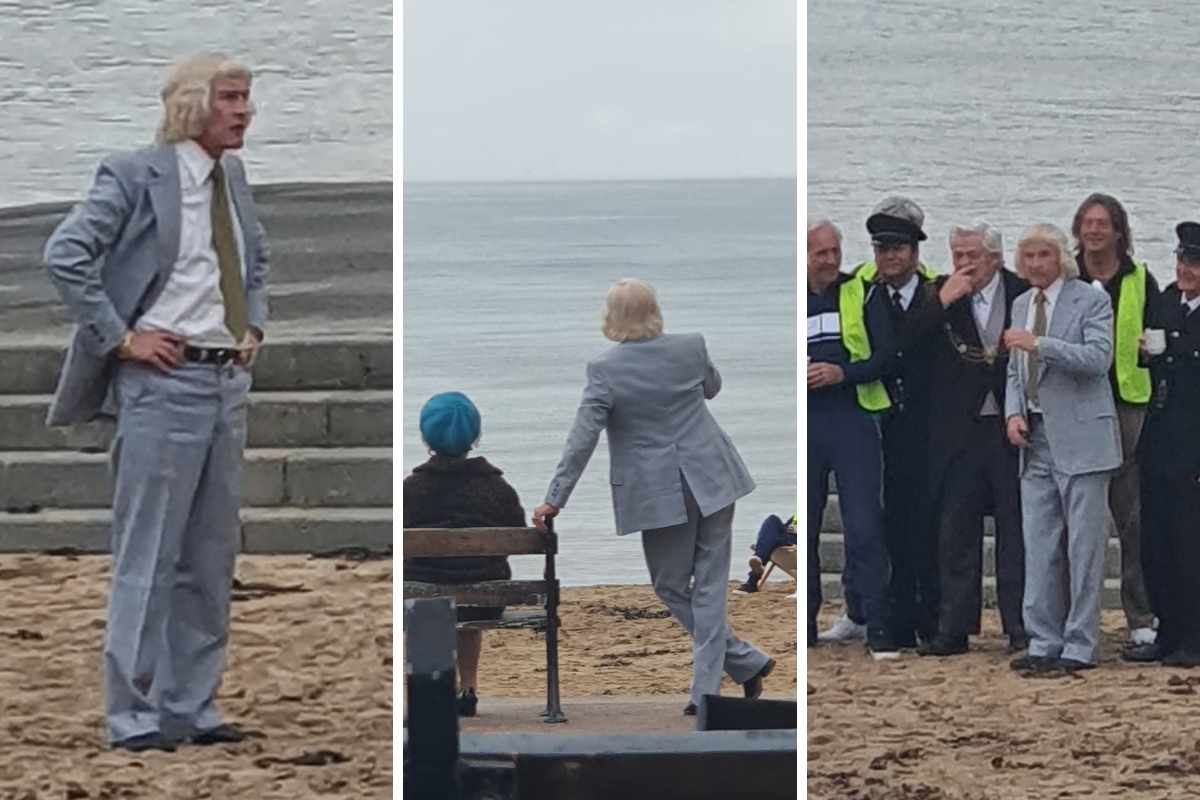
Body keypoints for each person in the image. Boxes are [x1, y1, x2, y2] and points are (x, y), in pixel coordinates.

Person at [42, 53, 268, 752]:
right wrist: (121, 338)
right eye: (230, 97)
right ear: (194, 103)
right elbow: (66, 254)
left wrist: (252, 322)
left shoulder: (231, 176)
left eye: (247, 98)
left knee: (207, 555)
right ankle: (131, 713)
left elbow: (253, 259)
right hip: (161, 387)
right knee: (149, 553)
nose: (243, 110)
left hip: (224, 378)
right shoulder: (135, 172)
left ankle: (189, 706)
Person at [531, 279, 774, 716]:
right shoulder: (691, 346)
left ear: (612, 318)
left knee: (674, 585)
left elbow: (582, 438)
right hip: (714, 475)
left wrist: (555, 497)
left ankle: (707, 693)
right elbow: (712, 387)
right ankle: (742, 663)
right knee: (700, 587)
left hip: (662, 489)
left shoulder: (604, 369)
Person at [1003, 223, 1121, 676]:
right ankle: (1043, 638)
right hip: (1035, 439)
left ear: (1060, 259)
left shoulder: (1090, 299)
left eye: (1043, 255)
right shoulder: (1020, 303)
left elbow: (1097, 359)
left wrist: (1041, 344)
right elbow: (1016, 371)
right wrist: (1014, 413)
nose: (1035, 264)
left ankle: (1079, 643)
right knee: (1040, 543)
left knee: (1084, 549)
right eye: (1028, 256)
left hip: (1084, 438)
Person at [916, 221, 1028, 656]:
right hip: (958, 432)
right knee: (955, 532)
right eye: (958, 255)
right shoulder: (940, 294)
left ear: (995, 259)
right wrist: (941, 303)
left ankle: (1019, 626)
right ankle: (954, 628)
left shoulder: (1020, 291)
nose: (963, 264)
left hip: (1008, 427)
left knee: (1014, 531)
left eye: (972, 257)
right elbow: (910, 343)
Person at [1072, 194, 1160, 654]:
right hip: (1076, 406)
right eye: (1087, 224)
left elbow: (1160, 336)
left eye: (1103, 224)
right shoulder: (1066, 278)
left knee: (1132, 517)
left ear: (1120, 231)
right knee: (1076, 517)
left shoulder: (1141, 279)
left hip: (1127, 404)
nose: (1094, 232)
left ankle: (1140, 616)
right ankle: (1070, 619)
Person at [853, 197, 942, 651]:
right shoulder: (865, 295)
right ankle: (898, 620)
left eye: (899, 248)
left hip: (929, 426)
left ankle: (930, 620)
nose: (890, 257)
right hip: (884, 424)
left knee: (928, 526)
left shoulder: (937, 295)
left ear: (915, 251)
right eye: (882, 248)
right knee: (892, 527)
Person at [806, 219, 897, 659]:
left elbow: (885, 357)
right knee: (803, 526)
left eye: (834, 252)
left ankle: (877, 625)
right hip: (808, 421)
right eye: (819, 253)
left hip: (852, 416)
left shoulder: (861, 293)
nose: (829, 261)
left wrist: (842, 372)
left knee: (864, 525)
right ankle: (805, 627)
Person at [403, 392, 525, 715]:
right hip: (485, 599)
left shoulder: (411, 490)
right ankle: (468, 686)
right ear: (475, 437)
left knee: (427, 597)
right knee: (469, 601)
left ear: (425, 438)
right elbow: (518, 531)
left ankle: (431, 688)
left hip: (421, 597)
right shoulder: (497, 488)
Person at [1132, 223, 1200, 667]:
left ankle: (1193, 637)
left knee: (1190, 544)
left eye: (1193, 262)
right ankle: (1167, 628)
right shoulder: (1166, 302)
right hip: (1159, 440)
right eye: (1181, 260)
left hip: (1193, 444)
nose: (1184, 269)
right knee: (1156, 542)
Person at [733, 512, 797, 595]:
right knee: (772, 520)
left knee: (767, 543)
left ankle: (752, 581)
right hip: (789, 539)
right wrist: (792, 528)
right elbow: (788, 527)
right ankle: (759, 556)